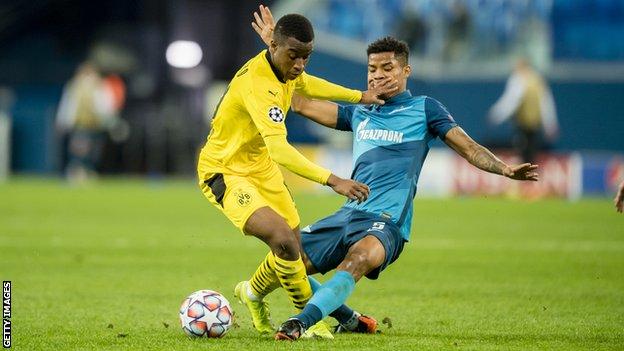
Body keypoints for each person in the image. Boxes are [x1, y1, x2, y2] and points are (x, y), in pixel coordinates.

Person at [248, 10, 539, 341]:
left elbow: (469, 148)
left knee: (357, 260)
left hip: (387, 221)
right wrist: (275, 52)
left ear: (406, 70)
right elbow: (298, 102)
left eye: (387, 68)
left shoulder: (425, 109)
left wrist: (504, 168)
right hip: (349, 212)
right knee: (289, 260)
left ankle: (299, 323)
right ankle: (348, 319)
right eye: (372, 69)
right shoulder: (359, 111)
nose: (377, 76)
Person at [196, 7, 396, 337]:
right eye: (294, 56)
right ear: (273, 47)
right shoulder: (259, 86)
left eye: (306, 56)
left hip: (260, 169)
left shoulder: (285, 69)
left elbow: (310, 84)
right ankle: (311, 319)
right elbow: (279, 149)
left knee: (295, 254)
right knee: (282, 239)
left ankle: (251, 293)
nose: (300, 65)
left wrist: (360, 96)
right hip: (225, 172)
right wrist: (333, 180)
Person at [488, 58, 558, 164]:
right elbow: (546, 103)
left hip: (523, 122)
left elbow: (511, 101)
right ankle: (528, 169)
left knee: (524, 150)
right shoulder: (537, 79)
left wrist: (497, 115)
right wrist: (550, 124)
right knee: (530, 148)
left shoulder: (518, 79)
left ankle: (524, 172)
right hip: (534, 123)